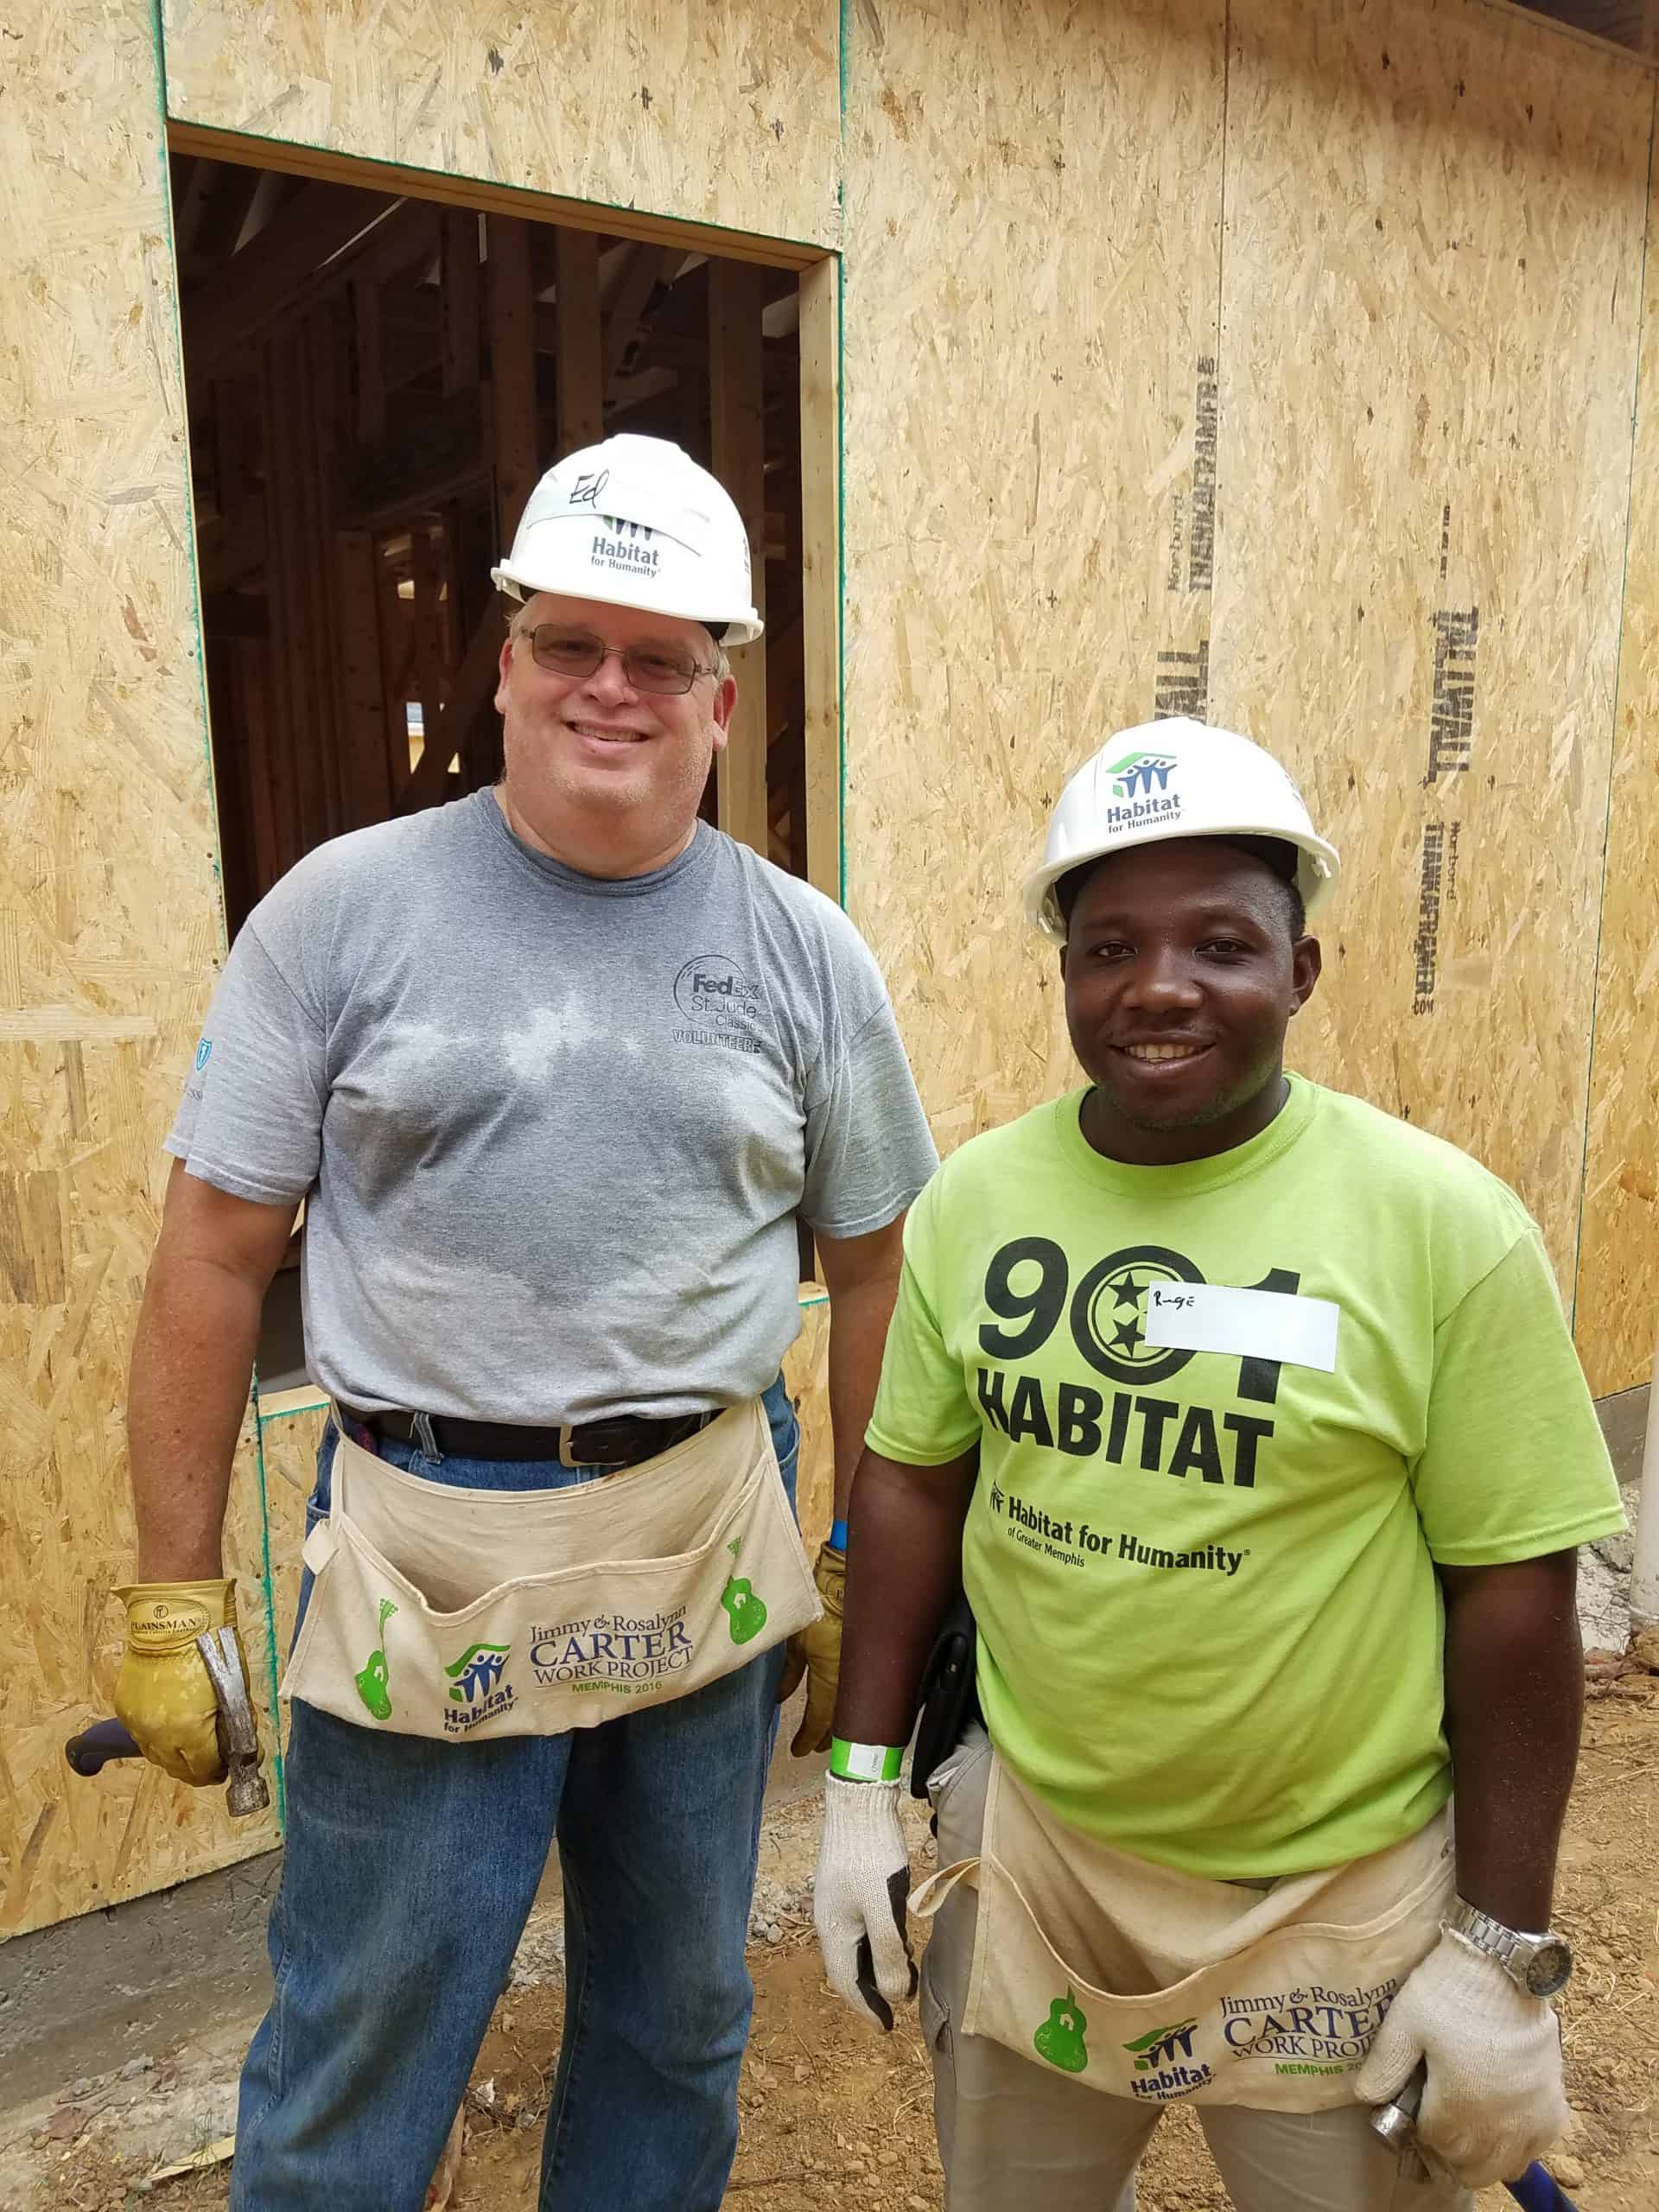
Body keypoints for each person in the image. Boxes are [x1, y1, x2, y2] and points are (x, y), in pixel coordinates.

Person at [111, 433, 937, 2212]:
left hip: (701, 1529)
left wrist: (863, 1557)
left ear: (721, 694)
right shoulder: (343, 915)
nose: (611, 688)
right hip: (433, 1543)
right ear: (501, 663)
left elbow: (876, 1264)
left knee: (676, 2015)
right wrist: (175, 1589)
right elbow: (207, 1251)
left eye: (662, 658)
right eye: (571, 641)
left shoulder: (805, 953)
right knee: (369, 2024)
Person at [811, 717, 1624, 2212]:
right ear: (1065, 974)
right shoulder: (978, 1205)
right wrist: (864, 1787)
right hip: (1041, 1861)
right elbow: (913, 1478)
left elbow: (1512, 1591)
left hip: (1334, 1893)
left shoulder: (1441, 1231)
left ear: (1300, 970)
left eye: (1221, 945)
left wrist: (1502, 1954)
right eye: (1109, 946)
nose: (1160, 988)